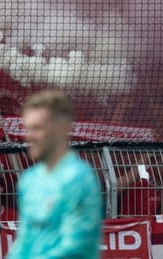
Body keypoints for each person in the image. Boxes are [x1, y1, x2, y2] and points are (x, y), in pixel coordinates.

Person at [7, 90, 102, 259]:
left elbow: (76, 245)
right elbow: (25, 240)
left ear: (62, 129)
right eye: (28, 129)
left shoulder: (79, 178)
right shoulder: (28, 180)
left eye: (37, 128)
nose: (28, 136)